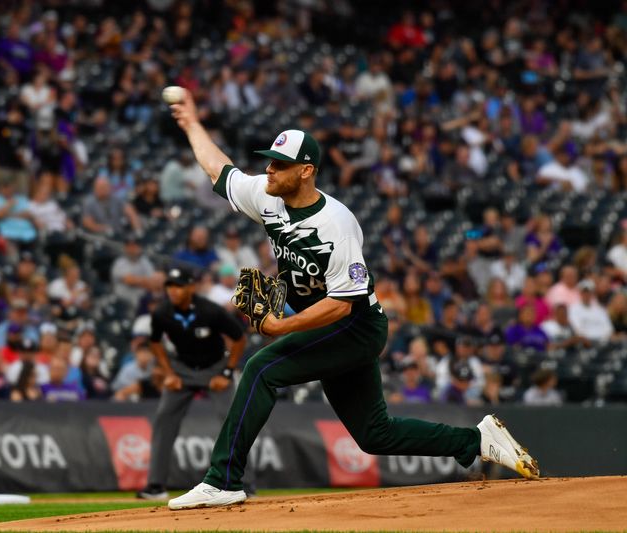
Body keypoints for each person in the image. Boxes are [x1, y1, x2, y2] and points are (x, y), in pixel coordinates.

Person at [164, 89, 539, 510]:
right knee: (374, 433)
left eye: (279, 163)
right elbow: (219, 169)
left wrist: (281, 326)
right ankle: (476, 440)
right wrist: (192, 122)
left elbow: (343, 304)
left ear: (306, 171)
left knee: (261, 368)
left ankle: (222, 480)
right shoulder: (267, 196)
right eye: (268, 160)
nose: (268, 169)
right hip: (331, 327)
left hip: (354, 326)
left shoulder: (335, 224)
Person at [137, 265, 247, 501]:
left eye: (179, 286)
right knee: (164, 419)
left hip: (215, 367)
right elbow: (155, 342)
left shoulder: (210, 311)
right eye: (170, 286)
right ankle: (155, 486)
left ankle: (244, 482)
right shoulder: (162, 313)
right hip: (182, 370)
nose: (173, 291)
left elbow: (239, 339)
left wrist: (227, 373)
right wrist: (168, 372)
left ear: (191, 287)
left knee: (234, 422)